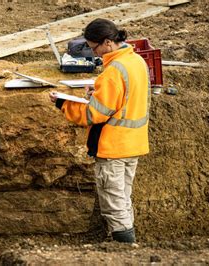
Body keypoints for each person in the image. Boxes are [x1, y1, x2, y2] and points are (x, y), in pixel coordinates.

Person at [49, 18, 151, 243]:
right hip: (133, 144)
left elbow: (92, 115)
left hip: (113, 146)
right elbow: (126, 100)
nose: (94, 54)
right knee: (123, 198)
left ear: (107, 43)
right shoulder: (136, 62)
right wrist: (97, 95)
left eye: (94, 47)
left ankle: (125, 248)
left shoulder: (114, 72)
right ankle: (126, 243)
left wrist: (63, 104)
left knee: (114, 204)